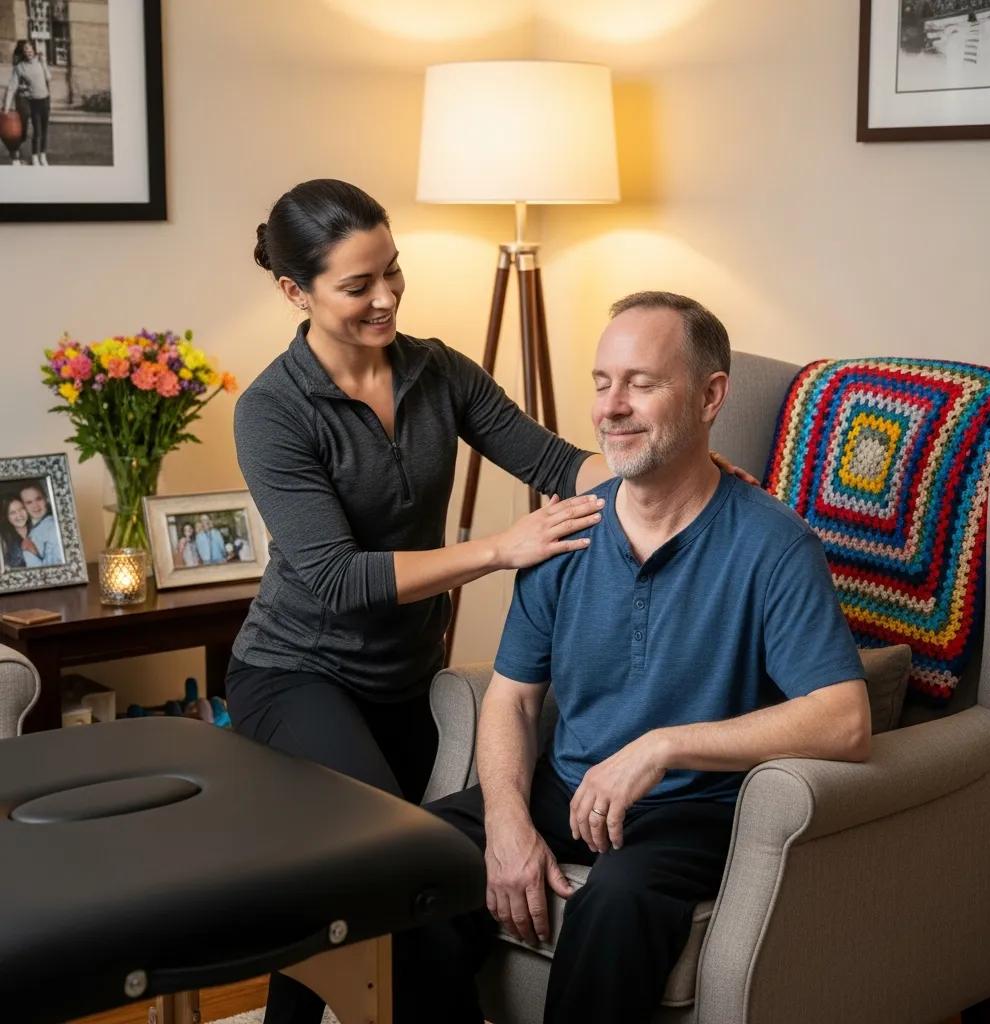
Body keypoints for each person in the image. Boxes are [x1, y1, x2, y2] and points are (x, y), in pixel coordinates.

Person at [227, 180, 753, 1024]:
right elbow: (336, 579)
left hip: (406, 679)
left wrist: (684, 465)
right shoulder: (272, 411)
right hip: (297, 674)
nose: (387, 297)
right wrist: (500, 551)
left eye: (392, 272)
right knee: (385, 871)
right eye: (358, 286)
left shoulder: (437, 371)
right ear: (296, 293)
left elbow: (553, 461)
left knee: (349, 899)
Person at [392, 292, 871, 1024]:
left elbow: (845, 722)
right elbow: (513, 699)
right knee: (412, 862)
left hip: (694, 809)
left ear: (711, 397)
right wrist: (510, 822)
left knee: (614, 902)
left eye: (642, 383)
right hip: (567, 785)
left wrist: (664, 746)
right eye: (601, 382)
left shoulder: (774, 544)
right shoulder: (564, 533)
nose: (612, 407)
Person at [3, 40, 51, 167]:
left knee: (42, 129)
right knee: (29, 130)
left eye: (30, 49)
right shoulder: (20, 67)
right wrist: (6, 108)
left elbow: (48, 77)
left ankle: (41, 156)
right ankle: (24, 156)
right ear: (23, 53)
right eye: (25, 50)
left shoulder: (40, 61)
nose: (28, 52)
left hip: (41, 100)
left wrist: (44, 62)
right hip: (29, 100)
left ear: (34, 50)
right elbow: (12, 87)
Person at [20, 483, 63, 566]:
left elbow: (58, 569)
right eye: (29, 502)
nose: (35, 505)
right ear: (24, 506)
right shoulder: (31, 528)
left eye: (38, 499)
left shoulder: (54, 526)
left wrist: (35, 553)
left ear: (46, 498)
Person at [0, 497, 31, 570]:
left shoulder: (41, 528)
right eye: (12, 513)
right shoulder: (3, 538)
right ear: (6, 517)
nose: (19, 515)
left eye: (21, 509)